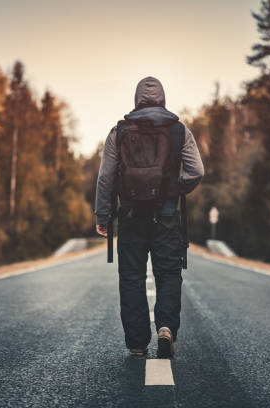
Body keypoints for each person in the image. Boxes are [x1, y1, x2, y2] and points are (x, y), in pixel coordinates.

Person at [94, 76, 204, 358]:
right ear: (163, 99)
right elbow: (196, 171)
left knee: (131, 276)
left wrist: (103, 215)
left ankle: (137, 344)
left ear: (136, 100)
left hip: (130, 215)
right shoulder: (179, 131)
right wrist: (175, 189)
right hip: (166, 214)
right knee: (168, 272)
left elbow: (106, 178)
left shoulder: (119, 132)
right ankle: (165, 327)